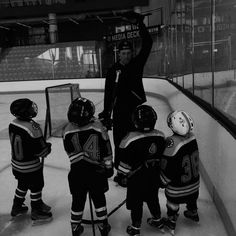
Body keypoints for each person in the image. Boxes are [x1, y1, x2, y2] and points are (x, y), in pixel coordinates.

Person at [98, 11, 153, 183]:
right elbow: (108, 94)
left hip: (136, 112)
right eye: (124, 53)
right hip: (119, 113)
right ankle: (121, 173)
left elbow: (148, 43)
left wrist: (140, 24)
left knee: (135, 141)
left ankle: (135, 169)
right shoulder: (112, 71)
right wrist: (107, 114)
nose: (127, 56)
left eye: (129, 53)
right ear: (118, 54)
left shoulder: (137, 64)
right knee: (120, 143)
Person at [62, 97, 114, 236]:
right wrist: (109, 167)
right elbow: (107, 150)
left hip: (76, 172)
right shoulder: (98, 127)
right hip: (96, 172)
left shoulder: (66, 130)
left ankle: (75, 226)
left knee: (77, 200)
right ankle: (103, 224)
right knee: (98, 198)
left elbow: (68, 149)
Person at [117, 105, 166, 236]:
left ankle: (135, 228)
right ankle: (158, 220)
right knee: (153, 198)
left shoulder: (128, 139)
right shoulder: (161, 136)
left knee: (136, 204)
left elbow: (123, 165)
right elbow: (163, 159)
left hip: (136, 181)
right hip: (154, 177)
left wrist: (122, 176)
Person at [9, 98, 52, 225]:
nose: (32, 109)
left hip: (16, 165)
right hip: (31, 166)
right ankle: (36, 210)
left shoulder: (13, 124)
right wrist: (47, 147)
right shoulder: (33, 127)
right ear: (24, 112)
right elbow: (42, 152)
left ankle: (16, 207)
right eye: (30, 108)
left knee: (22, 184)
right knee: (36, 186)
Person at [159, 110, 200, 235]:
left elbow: (168, 167)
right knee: (191, 198)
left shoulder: (172, 144)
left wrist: (162, 181)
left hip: (177, 190)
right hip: (194, 186)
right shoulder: (192, 137)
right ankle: (193, 212)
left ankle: (171, 220)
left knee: (172, 202)